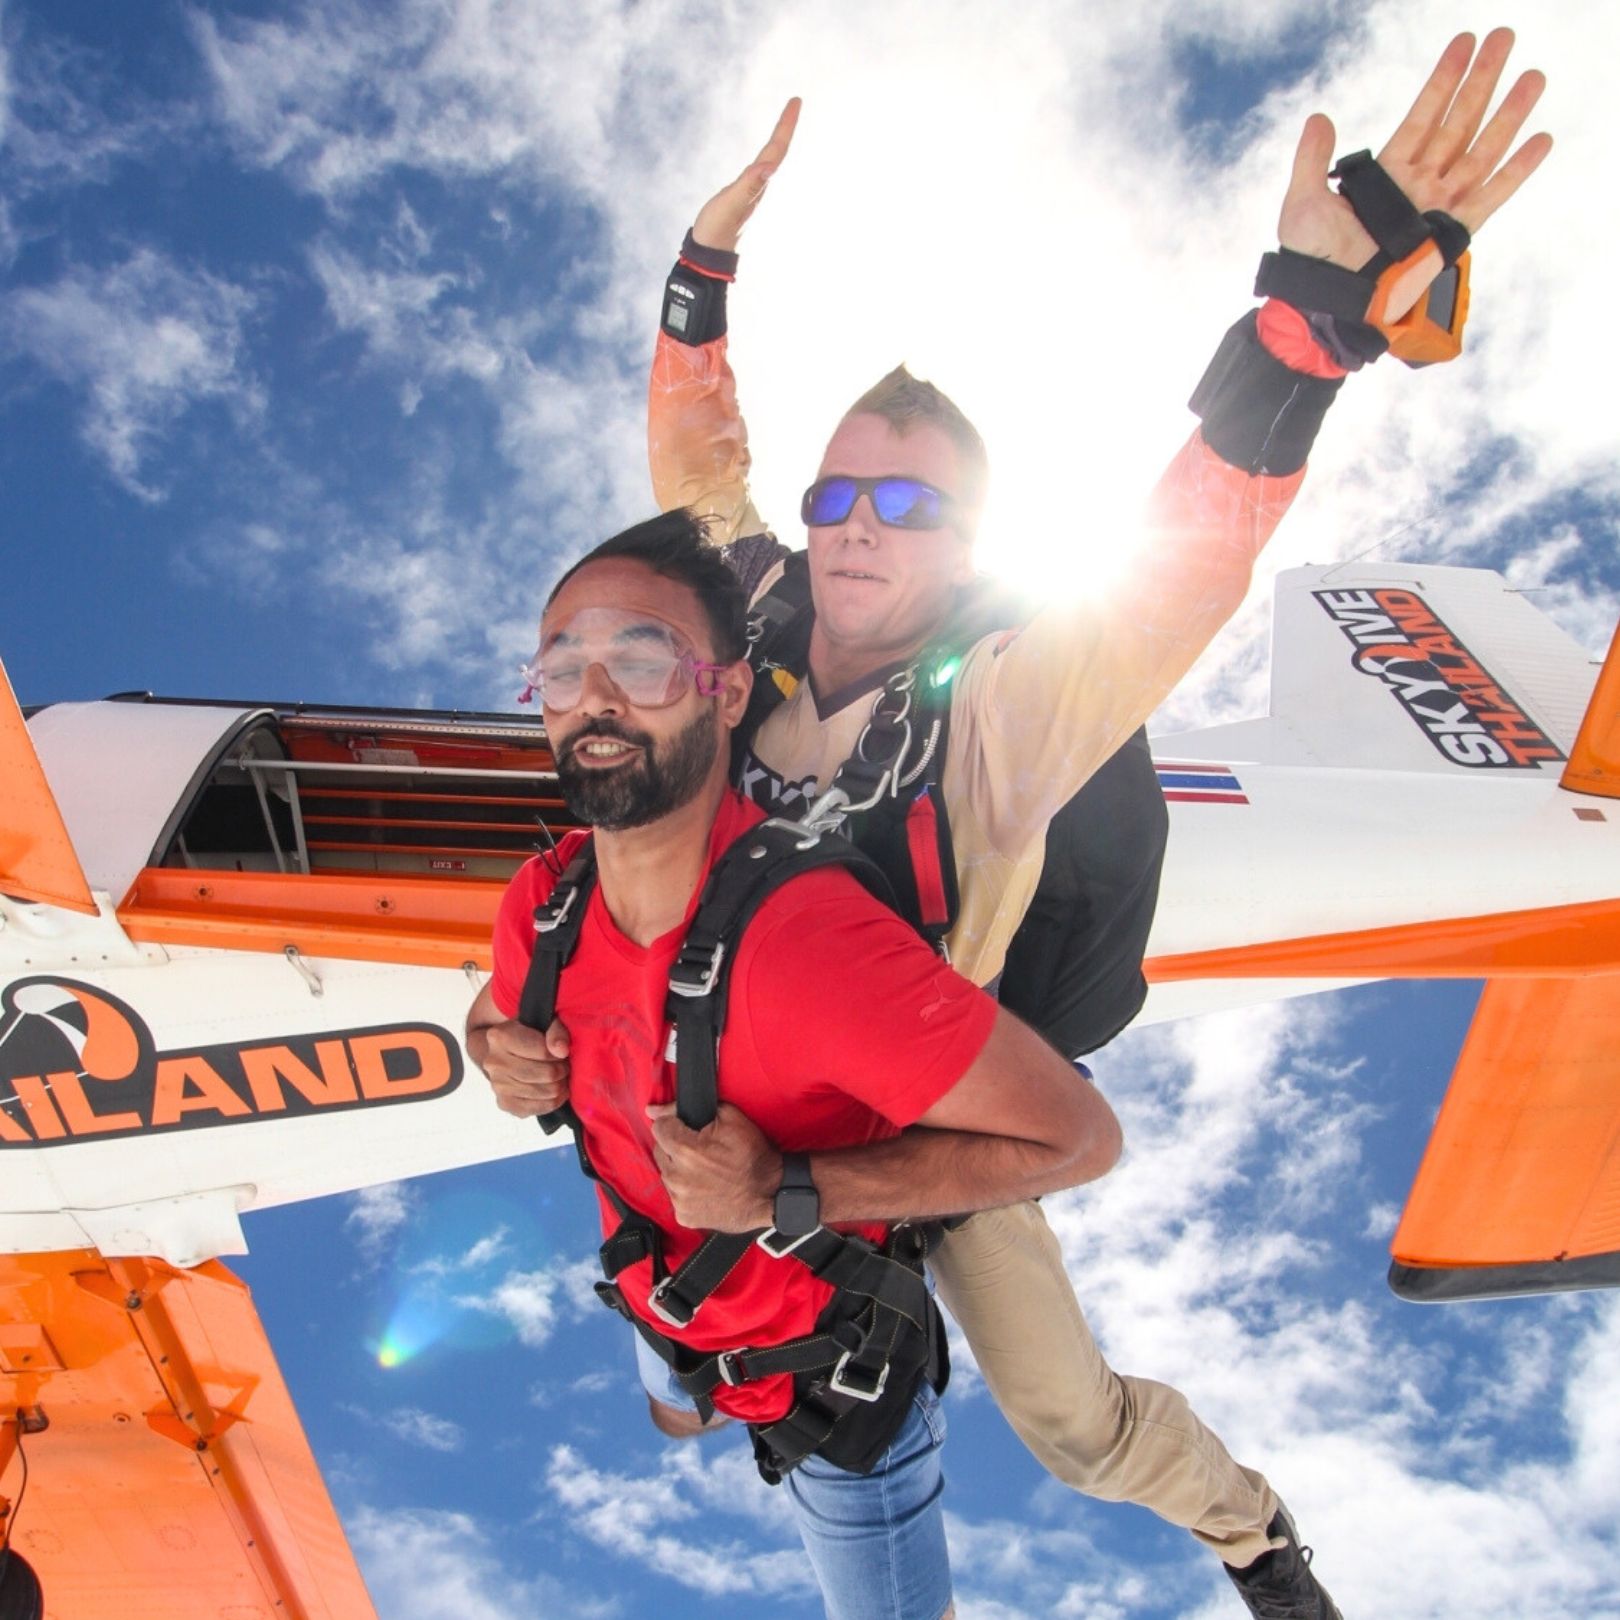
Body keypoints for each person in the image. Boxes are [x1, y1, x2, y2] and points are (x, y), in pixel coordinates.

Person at [624, 28, 1550, 1620]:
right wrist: (701, 264)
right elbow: (699, 463)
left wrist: (1299, 336)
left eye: (908, 508)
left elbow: (1178, 576)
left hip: (936, 1119)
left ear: (969, 540)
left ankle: (1253, 1530)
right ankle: (705, 1365)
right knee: (675, 1302)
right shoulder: (762, 603)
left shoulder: (1000, 701)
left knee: (1069, 1424)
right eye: (843, 494)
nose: (857, 528)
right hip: (754, 1082)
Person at [466, 512, 1123, 1620]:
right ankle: (682, 1407)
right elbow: (492, 1005)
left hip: (836, 1402)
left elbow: (1078, 1138)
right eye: (564, 664)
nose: (597, 695)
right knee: (671, 1382)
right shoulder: (549, 899)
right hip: (658, 1296)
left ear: (724, 694)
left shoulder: (808, 948)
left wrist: (789, 1192)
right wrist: (493, 1049)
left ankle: (691, 1407)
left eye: (641, 658)